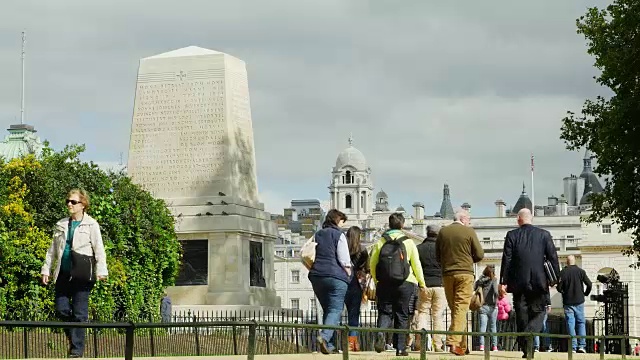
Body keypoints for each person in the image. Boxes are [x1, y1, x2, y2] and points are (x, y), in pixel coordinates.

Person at [41, 189, 108, 358]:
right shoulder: (61, 224)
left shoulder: (92, 224)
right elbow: (52, 250)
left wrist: (102, 271)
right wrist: (46, 270)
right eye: (68, 202)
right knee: (61, 309)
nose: (69, 204)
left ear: (83, 204)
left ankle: (76, 351)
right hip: (63, 273)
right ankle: (75, 334)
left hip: (82, 275)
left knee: (79, 313)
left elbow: (99, 249)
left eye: (73, 202)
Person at [500, 208, 560, 359]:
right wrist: (556, 278)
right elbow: (553, 257)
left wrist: (503, 281)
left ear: (519, 219)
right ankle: (530, 335)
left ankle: (527, 348)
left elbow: (506, 259)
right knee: (539, 312)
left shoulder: (511, 235)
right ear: (531, 218)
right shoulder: (544, 235)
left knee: (521, 315)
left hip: (518, 282)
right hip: (539, 281)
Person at [370, 212, 426, 357]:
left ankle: (381, 334)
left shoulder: (380, 242)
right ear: (402, 225)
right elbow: (416, 264)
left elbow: (373, 263)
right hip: (405, 282)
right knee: (402, 315)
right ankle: (400, 348)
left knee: (385, 312)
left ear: (389, 225)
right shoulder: (408, 242)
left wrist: (377, 280)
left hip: (384, 283)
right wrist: (421, 282)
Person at [436, 209, 484, 356]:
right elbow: (480, 254)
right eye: (469, 219)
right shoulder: (468, 231)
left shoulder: (443, 232)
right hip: (465, 274)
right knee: (461, 309)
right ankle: (453, 341)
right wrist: (469, 259)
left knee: (456, 310)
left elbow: (438, 255)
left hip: (448, 274)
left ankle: (463, 346)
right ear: (463, 219)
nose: (469, 221)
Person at [308, 209, 351, 355]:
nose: (342, 225)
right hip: (335, 276)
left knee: (329, 310)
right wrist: (349, 274)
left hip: (317, 276)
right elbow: (344, 259)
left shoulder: (317, 234)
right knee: (335, 309)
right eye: (341, 222)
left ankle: (330, 346)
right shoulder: (339, 235)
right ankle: (324, 337)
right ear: (337, 220)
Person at [415, 224, 446, 352]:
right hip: (440, 284)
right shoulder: (443, 249)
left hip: (424, 284)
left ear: (427, 233)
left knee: (422, 313)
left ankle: (420, 342)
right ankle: (438, 345)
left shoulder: (419, 248)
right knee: (437, 316)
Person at [557, 255, 592, 353]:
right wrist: (585, 293)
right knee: (581, 323)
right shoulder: (581, 272)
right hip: (579, 300)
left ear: (567, 262)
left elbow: (559, 288)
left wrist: (564, 291)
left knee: (570, 323)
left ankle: (573, 347)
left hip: (568, 302)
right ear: (575, 261)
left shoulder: (563, 272)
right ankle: (582, 346)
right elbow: (589, 284)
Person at [343, 226, 368, 352]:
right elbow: (366, 268)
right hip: (356, 285)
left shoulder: (342, 249)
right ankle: (352, 344)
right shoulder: (362, 250)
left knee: (336, 313)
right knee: (353, 316)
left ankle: (331, 341)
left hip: (342, 282)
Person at [475, 265, 498, 351]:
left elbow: (474, 287)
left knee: (482, 327)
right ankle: (494, 346)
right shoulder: (494, 280)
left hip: (482, 306)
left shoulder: (480, 280)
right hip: (492, 306)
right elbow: (496, 292)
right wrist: (496, 302)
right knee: (493, 327)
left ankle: (482, 346)